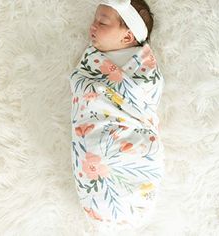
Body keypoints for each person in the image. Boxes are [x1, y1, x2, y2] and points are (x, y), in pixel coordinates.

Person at [68, 0, 165, 235]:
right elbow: (82, 86)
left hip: (130, 137)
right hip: (97, 133)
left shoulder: (144, 69)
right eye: (95, 19)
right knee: (96, 161)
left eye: (102, 21)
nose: (92, 25)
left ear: (127, 37)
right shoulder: (92, 60)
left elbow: (146, 97)